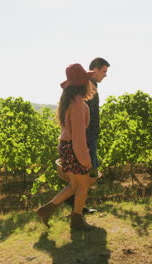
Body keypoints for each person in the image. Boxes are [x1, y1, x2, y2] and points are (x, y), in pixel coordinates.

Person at [36, 63, 96, 231]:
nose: (90, 83)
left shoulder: (69, 101)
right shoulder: (77, 103)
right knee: (83, 186)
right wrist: (85, 159)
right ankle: (77, 221)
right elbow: (78, 135)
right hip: (74, 147)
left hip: (66, 146)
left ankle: (46, 210)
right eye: (87, 79)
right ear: (82, 83)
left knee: (74, 185)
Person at [62, 57, 110, 213]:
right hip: (86, 138)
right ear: (94, 69)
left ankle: (77, 205)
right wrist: (87, 142)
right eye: (104, 71)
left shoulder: (91, 86)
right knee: (88, 175)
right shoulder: (87, 88)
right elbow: (80, 119)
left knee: (86, 177)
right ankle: (75, 205)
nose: (105, 75)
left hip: (90, 137)